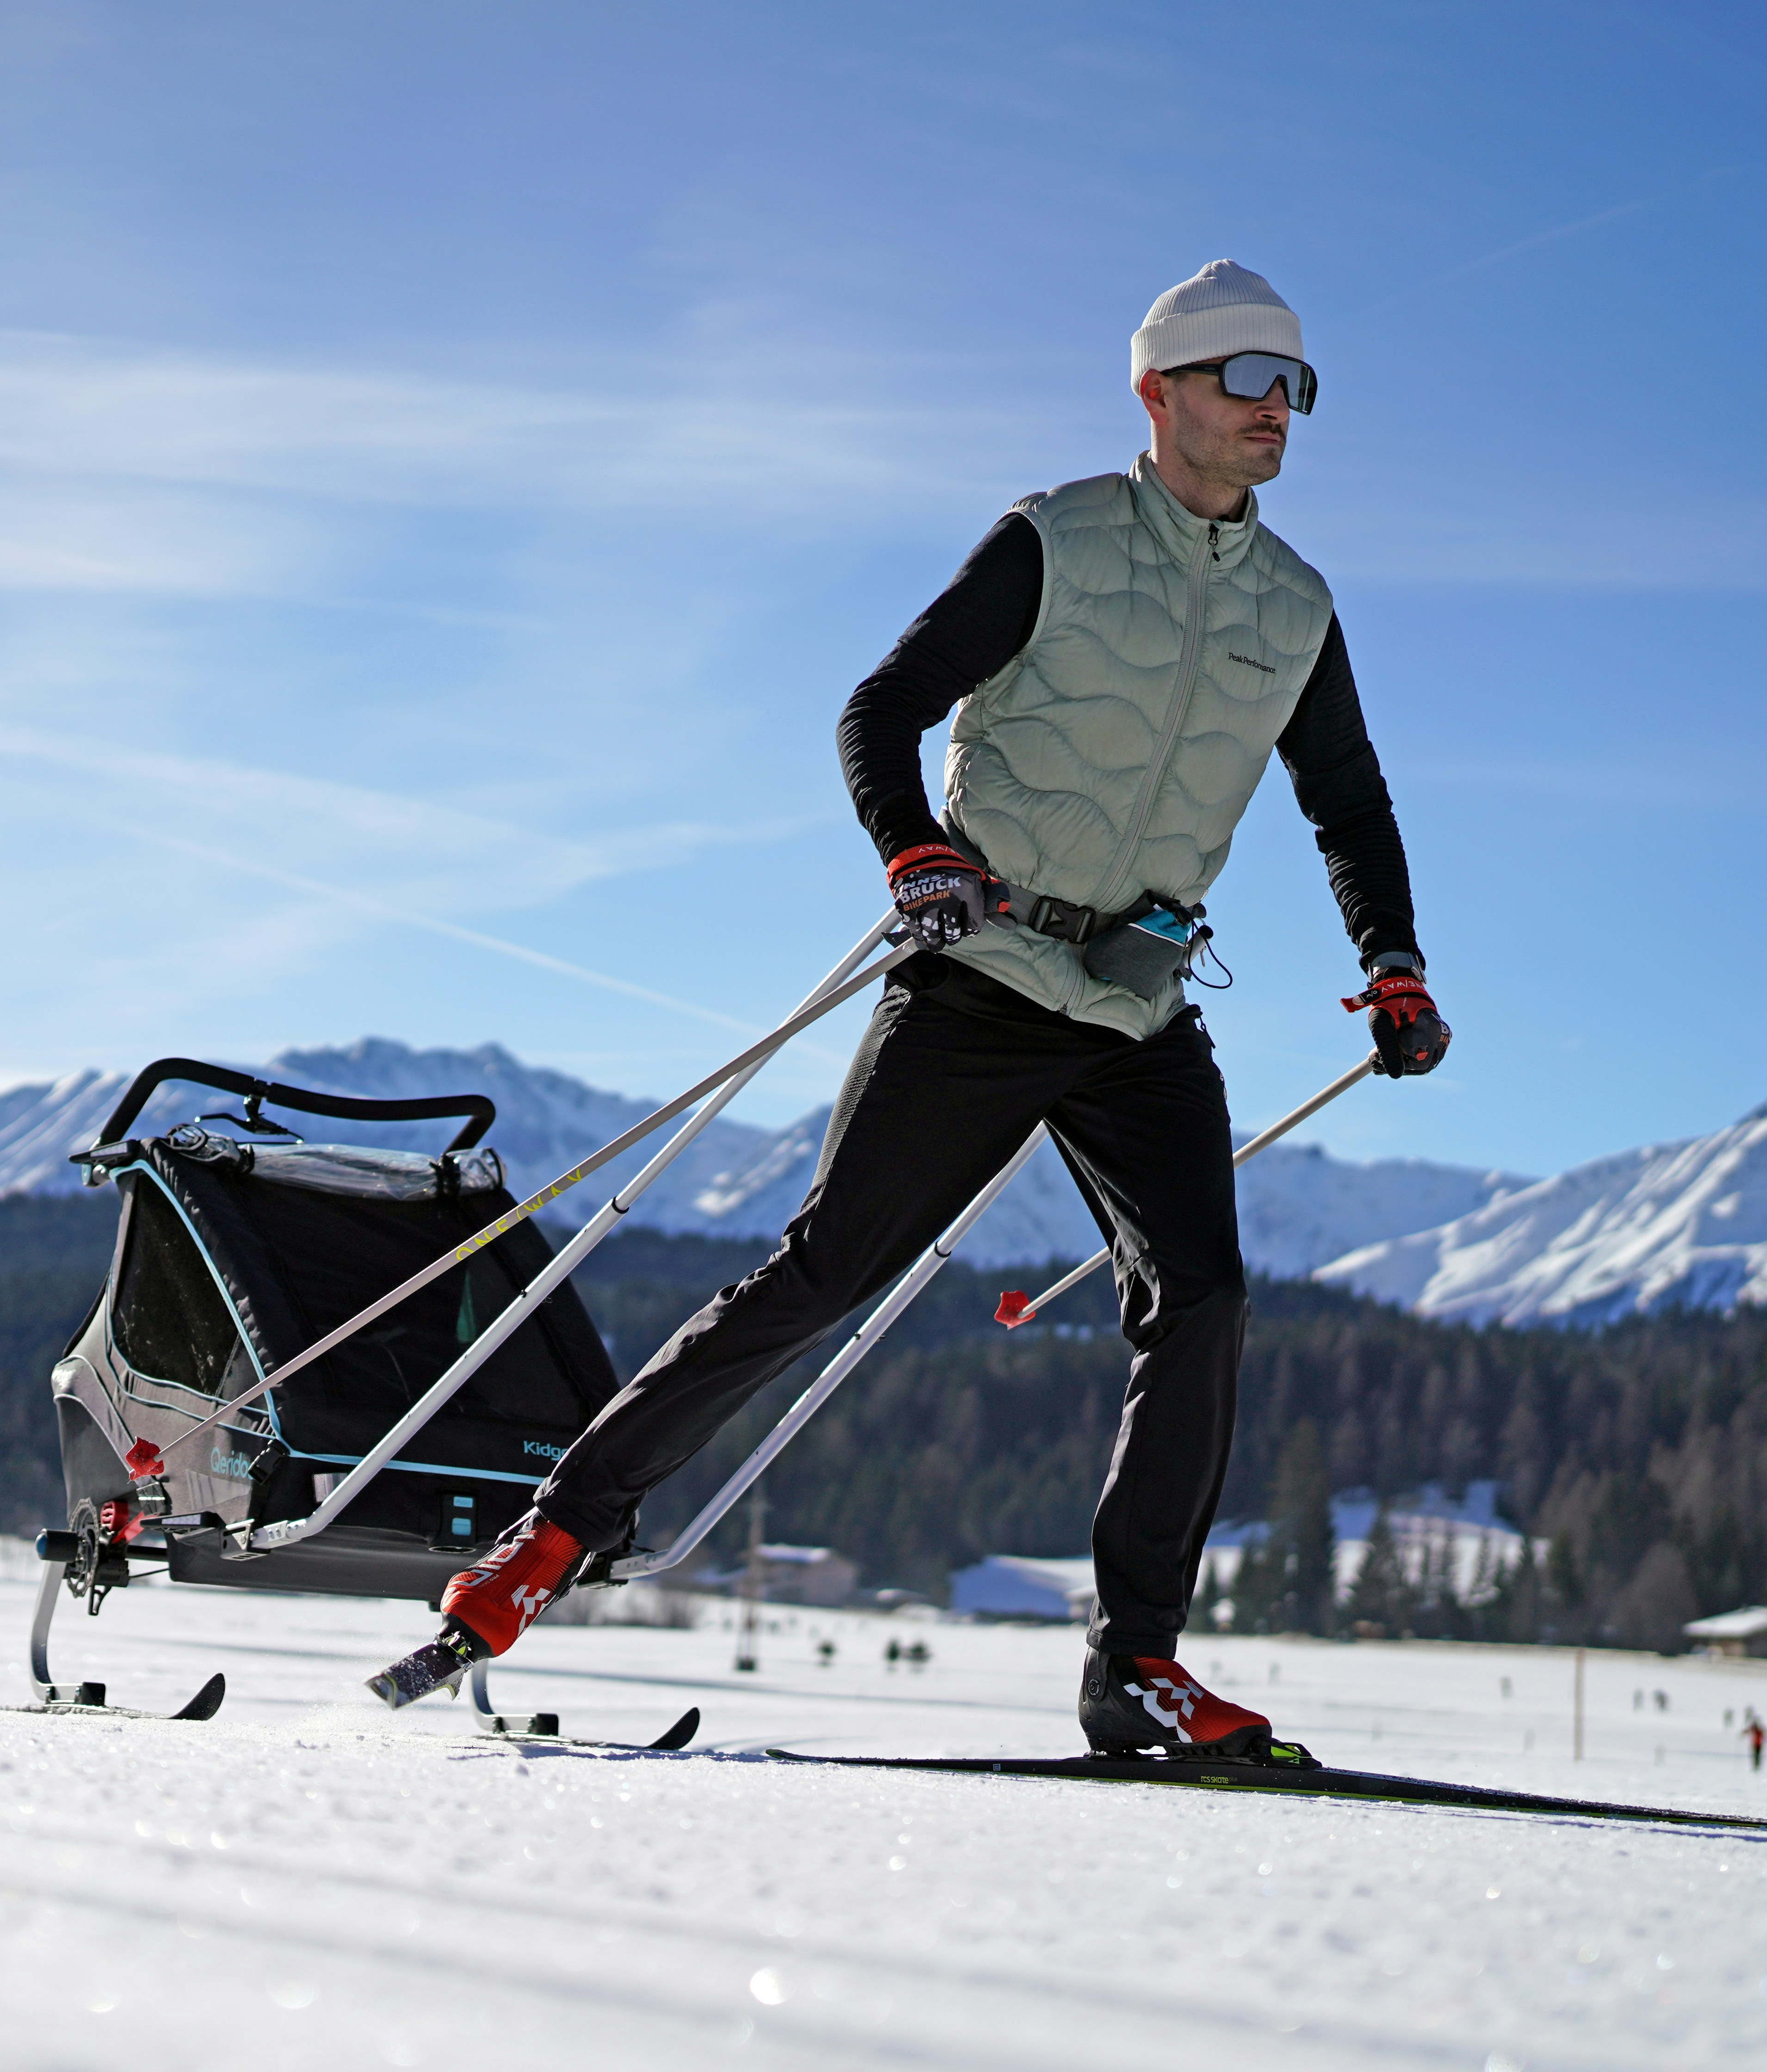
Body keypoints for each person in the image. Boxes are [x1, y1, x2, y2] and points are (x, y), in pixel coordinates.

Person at [399, 261, 1442, 1761]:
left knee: (1202, 1299)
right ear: (1158, 394)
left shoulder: (1298, 605)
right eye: (1245, 379)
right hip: (985, 971)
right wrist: (918, 851)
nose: (1280, 410)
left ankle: (1135, 1664)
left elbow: (1346, 797)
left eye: (1297, 385)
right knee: (827, 1275)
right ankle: (555, 1540)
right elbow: (879, 708)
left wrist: (1393, 962)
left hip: (1138, 1004)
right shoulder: (1054, 542)